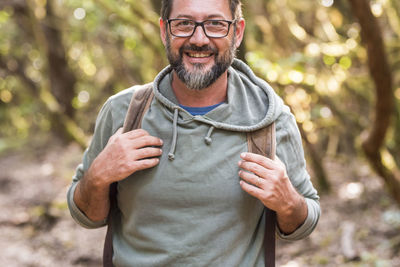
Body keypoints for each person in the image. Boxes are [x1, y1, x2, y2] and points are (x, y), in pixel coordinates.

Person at [67, 0, 320, 266]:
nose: (199, 39)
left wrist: (288, 201)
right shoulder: (124, 112)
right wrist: (97, 178)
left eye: (215, 24)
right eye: (184, 23)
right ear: (165, 31)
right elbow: (87, 216)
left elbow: (305, 222)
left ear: (238, 32)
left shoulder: (270, 120)